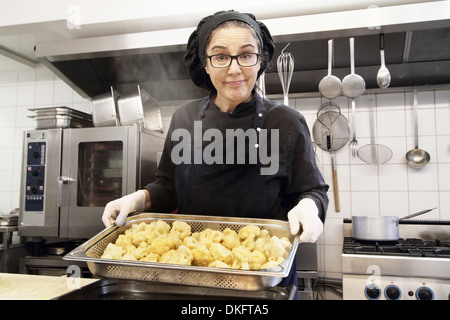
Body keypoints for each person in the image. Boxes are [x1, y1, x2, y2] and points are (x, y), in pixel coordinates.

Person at [102, 10, 329, 297]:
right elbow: (167, 186)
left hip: (262, 282)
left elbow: (313, 190)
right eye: (220, 56)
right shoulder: (185, 118)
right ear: (205, 65)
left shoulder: (286, 122)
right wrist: (136, 199)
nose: (234, 69)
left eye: (246, 55)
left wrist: (309, 206)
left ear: (260, 60)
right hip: (189, 277)